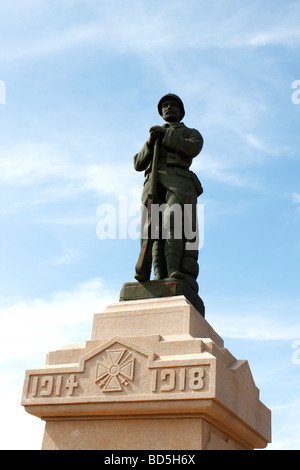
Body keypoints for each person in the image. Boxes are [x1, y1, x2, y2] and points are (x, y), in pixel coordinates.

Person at [134, 94, 203, 292]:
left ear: (181, 112)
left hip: (179, 183)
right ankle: (158, 275)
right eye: (165, 105)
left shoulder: (190, 133)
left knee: (172, 220)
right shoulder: (154, 136)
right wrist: (150, 142)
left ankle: (174, 270)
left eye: (173, 105)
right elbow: (138, 163)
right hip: (153, 185)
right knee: (153, 230)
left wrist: (166, 136)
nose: (169, 107)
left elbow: (192, 147)